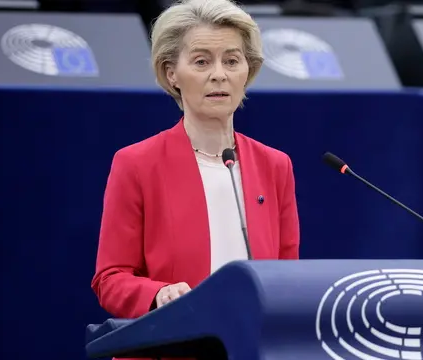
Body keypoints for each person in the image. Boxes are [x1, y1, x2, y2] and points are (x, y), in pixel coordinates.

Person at [91, 0, 300, 324]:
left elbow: (288, 277)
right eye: (202, 62)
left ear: (248, 70)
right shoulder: (136, 164)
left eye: (232, 61)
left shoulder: (274, 165)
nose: (219, 75)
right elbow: (111, 279)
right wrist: (158, 294)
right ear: (171, 72)